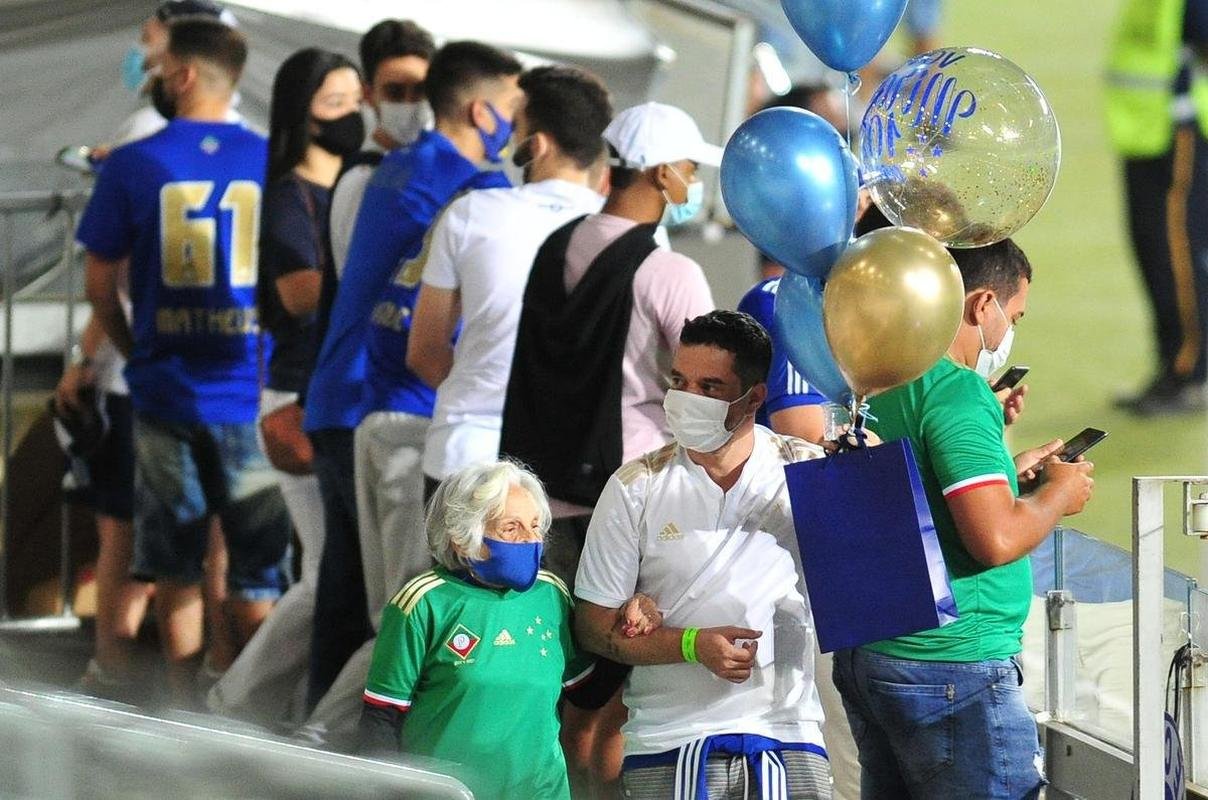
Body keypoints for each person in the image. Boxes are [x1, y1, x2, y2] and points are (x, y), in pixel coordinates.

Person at [498, 100, 718, 793]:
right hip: (627, 504)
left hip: (542, 497)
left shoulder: (556, 243)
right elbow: (715, 381)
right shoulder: (668, 270)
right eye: (686, 169)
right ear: (659, 174)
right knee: (620, 701)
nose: (691, 182)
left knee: (565, 688)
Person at [302, 40, 522, 713]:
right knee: (400, 609)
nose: (520, 125)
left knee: (344, 599)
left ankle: (309, 748)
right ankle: (330, 746)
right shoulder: (478, 190)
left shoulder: (394, 168)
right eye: (515, 108)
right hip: (402, 409)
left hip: (343, 397)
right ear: (484, 111)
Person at [831, 239, 1095, 799]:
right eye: (1014, 314)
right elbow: (995, 540)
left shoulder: (877, 374)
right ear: (981, 305)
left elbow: (916, 491)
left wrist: (1010, 472)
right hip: (952, 667)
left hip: (876, 656)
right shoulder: (958, 392)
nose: (1009, 331)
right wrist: (1057, 496)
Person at [77, 16, 291, 706]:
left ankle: (180, 710)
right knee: (255, 570)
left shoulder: (134, 162)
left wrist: (137, 346)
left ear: (185, 74)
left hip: (165, 392)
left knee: (175, 565)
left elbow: (97, 283)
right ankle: (249, 705)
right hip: (253, 394)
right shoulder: (273, 160)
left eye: (162, 64)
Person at [573, 309, 832, 799]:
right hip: (668, 742)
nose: (687, 399)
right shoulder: (636, 486)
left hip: (790, 736)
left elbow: (876, 580)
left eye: (709, 388)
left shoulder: (807, 472)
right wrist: (692, 645)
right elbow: (592, 625)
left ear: (754, 398)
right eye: (679, 381)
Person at [208, 48, 363, 726]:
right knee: (326, 570)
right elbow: (299, 295)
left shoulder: (354, 185)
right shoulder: (288, 195)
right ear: (302, 115)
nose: (351, 115)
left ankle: (274, 702)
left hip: (330, 392)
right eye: (336, 103)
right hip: (297, 395)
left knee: (331, 570)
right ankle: (238, 700)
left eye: (355, 99)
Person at [358, 459, 623, 799]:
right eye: (511, 528)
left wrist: (626, 632)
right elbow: (381, 718)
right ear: (461, 537)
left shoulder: (550, 594)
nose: (529, 541)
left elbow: (588, 692)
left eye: (535, 527)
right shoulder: (423, 603)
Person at [407, 64, 613, 500]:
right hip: (580, 468)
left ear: (535, 145)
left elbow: (424, 351)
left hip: (466, 456)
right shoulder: (633, 234)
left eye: (515, 128)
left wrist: (481, 394)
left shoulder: (470, 214)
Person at [1108, 0, 1208, 415]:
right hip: (1144, 128)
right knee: (1153, 249)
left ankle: (1190, 372)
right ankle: (1172, 366)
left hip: (1180, 127)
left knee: (1177, 254)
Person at [329, 19, 436, 274]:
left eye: (420, 90)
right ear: (368, 95)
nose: (410, 103)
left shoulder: (433, 162)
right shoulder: (363, 180)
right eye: (395, 92)